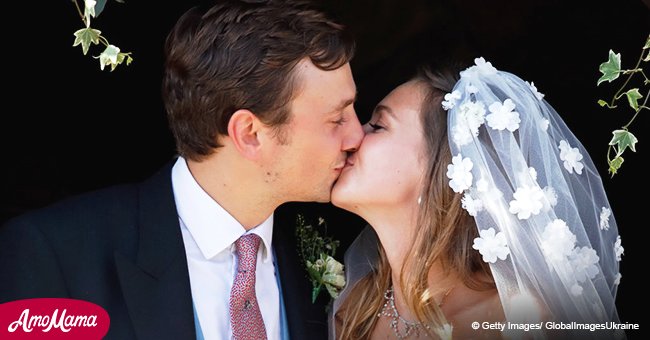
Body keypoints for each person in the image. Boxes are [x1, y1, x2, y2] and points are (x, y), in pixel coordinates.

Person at [0, 0, 363, 339]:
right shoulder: (52, 254)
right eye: (337, 118)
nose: (357, 135)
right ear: (249, 134)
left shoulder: (335, 263)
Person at [330, 58, 624, 339]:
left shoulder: (522, 320)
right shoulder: (354, 311)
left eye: (378, 125)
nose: (355, 135)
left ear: (442, 168)